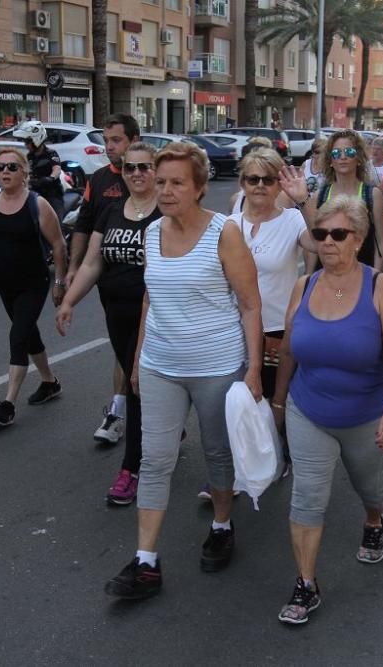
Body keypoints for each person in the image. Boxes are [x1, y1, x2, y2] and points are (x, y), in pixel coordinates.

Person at [103, 142, 262, 600]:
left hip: (216, 364)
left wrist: (252, 370)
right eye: (161, 180)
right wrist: (136, 361)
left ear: (199, 189)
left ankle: (222, 525)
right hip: (160, 366)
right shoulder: (151, 233)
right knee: (154, 460)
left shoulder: (224, 233)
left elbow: (250, 305)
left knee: (217, 452)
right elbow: (150, 300)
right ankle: (146, 562)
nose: (166, 190)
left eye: (177, 183)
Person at [269, 195, 383, 624]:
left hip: (365, 413)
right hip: (308, 408)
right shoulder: (303, 286)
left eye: (338, 234)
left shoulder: (380, 287)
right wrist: (277, 401)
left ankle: (374, 519)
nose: (327, 242)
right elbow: (289, 351)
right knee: (308, 497)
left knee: (370, 487)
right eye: (320, 234)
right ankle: (305, 584)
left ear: (359, 238)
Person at [56, 142, 160, 505]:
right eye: (130, 168)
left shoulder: (165, 213)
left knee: (135, 388)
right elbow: (92, 263)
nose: (136, 174)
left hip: (154, 319)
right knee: (142, 390)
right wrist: (69, 301)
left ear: (156, 170)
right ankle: (166, 426)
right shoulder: (112, 210)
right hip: (115, 315)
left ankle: (131, 469)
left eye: (145, 167)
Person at [229, 149, 319, 482]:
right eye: (253, 179)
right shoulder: (228, 225)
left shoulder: (292, 220)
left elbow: (322, 245)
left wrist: (304, 199)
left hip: (277, 328)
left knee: (272, 400)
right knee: (238, 399)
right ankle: (242, 465)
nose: (261, 186)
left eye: (269, 179)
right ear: (243, 183)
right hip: (234, 328)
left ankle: (277, 454)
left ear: (278, 183)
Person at [0, 147, 67, 427]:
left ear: (24, 172)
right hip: (5, 285)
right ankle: (49, 382)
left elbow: (58, 245)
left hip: (33, 284)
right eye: (0, 167)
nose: (5, 172)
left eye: (12, 167)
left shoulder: (37, 204)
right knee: (28, 334)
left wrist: (59, 283)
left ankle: (8, 404)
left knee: (18, 336)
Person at [68, 113, 141, 446]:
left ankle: (128, 414)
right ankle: (123, 411)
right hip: (109, 281)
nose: (109, 147)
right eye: (106, 140)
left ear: (133, 140)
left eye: (116, 140)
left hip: (147, 285)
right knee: (122, 350)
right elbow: (84, 225)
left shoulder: (146, 178)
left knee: (138, 353)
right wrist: (71, 270)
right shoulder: (97, 180)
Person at [300, 129, 383, 271]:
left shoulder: (373, 195)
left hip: (362, 271)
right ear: (330, 161)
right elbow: (315, 240)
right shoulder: (320, 196)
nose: (343, 157)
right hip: (327, 273)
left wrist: (375, 277)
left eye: (349, 152)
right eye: (336, 153)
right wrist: (309, 277)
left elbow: (381, 242)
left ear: (359, 158)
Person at [12, 120, 65, 224]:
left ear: (36, 139)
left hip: (52, 196)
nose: (25, 145)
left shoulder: (51, 153)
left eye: (28, 141)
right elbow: (23, 172)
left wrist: (50, 178)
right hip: (34, 194)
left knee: (56, 223)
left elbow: (57, 169)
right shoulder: (29, 157)